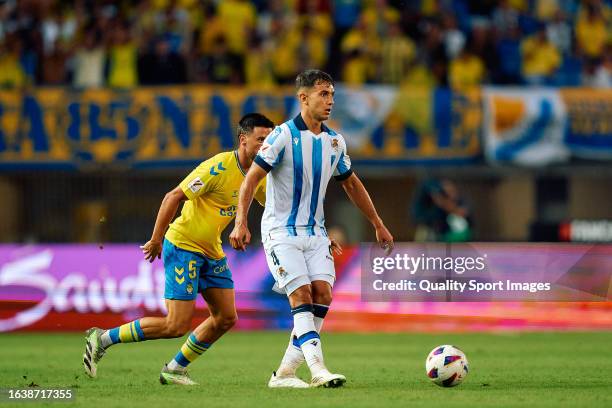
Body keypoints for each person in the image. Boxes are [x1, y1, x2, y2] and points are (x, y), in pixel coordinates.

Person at [229, 69, 394, 388]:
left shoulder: (335, 141)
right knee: (301, 295)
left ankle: (284, 374)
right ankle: (319, 370)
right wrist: (240, 222)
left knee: (323, 295)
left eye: (332, 94)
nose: (330, 101)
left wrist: (377, 222)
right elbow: (251, 179)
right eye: (323, 94)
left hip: (316, 233)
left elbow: (351, 184)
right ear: (303, 98)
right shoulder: (281, 137)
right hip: (280, 233)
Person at [83, 113, 274, 385]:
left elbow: (277, 208)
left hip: (212, 251)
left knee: (225, 318)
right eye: (261, 140)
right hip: (184, 245)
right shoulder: (218, 167)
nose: (267, 146)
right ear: (243, 140)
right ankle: (102, 338)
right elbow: (173, 196)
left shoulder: (259, 176)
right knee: (175, 325)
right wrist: (156, 238)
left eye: (270, 140)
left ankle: (174, 368)